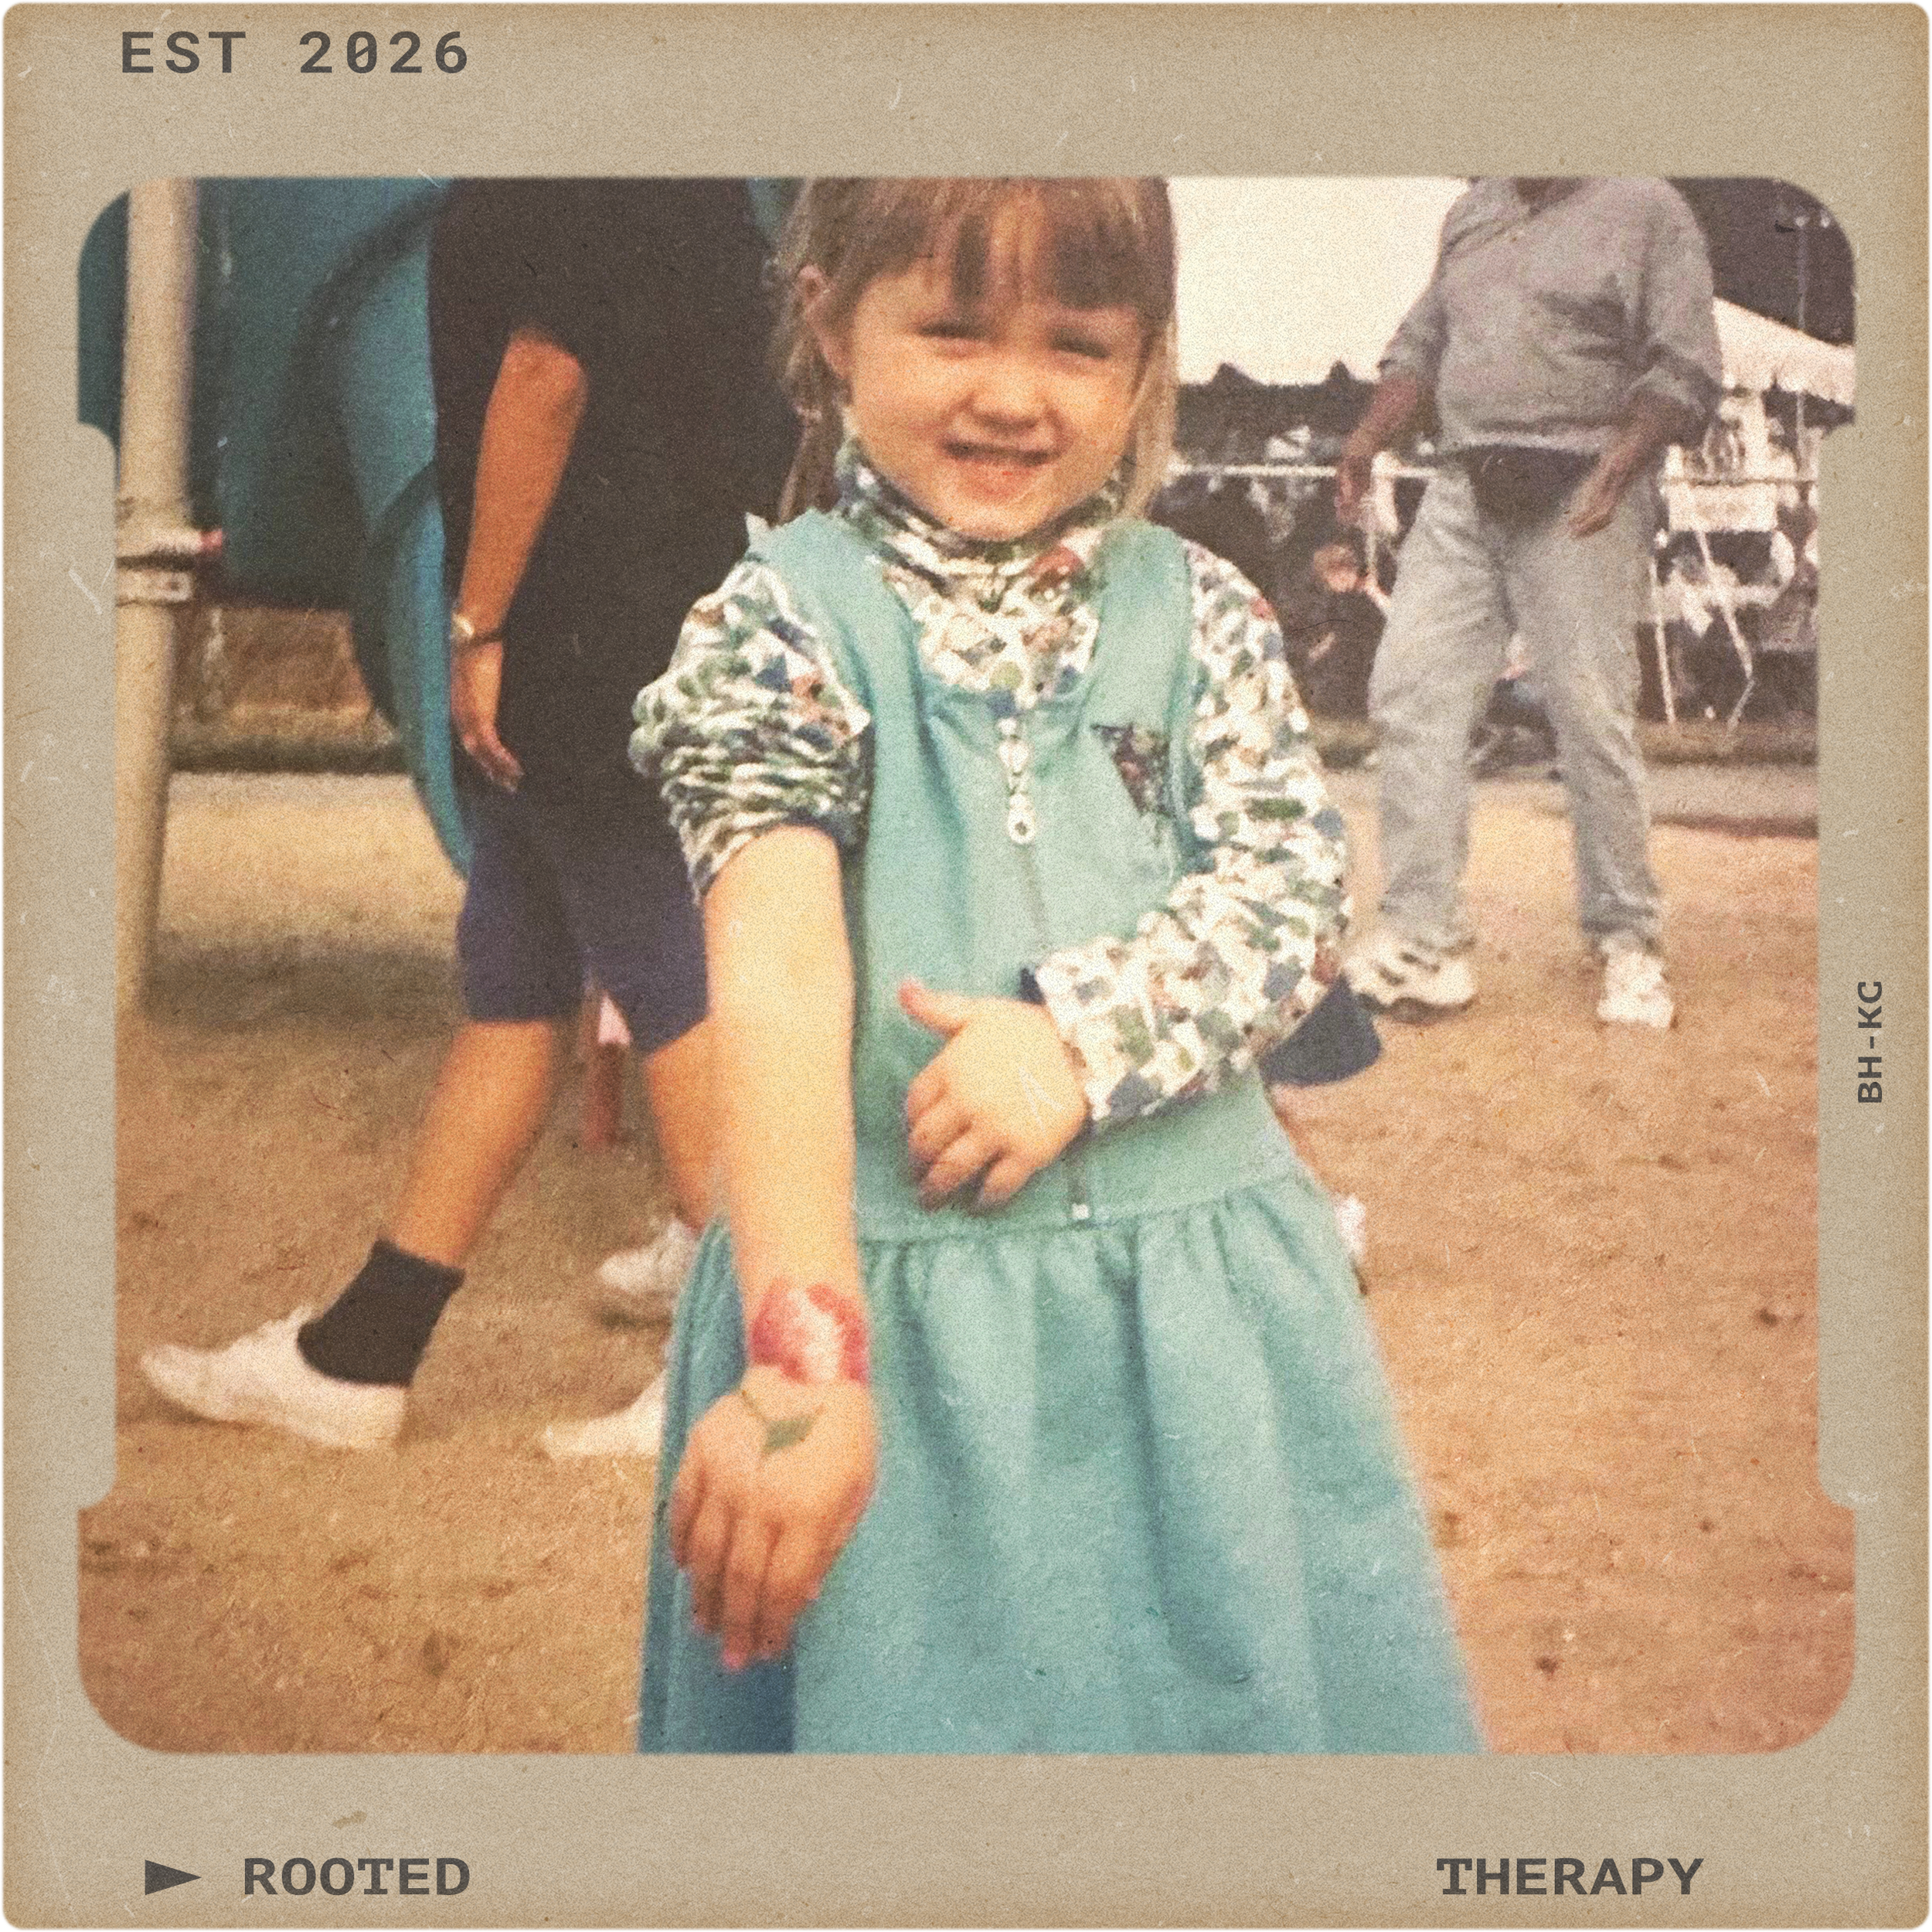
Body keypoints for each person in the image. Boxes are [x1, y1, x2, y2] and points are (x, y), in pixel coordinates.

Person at [628, 177, 1479, 1753]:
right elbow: (779, 977)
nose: (1013, 395)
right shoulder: (775, 624)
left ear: (1145, 359)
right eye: (953, 330)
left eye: (1076, 345)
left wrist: (1076, 1039)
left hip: (1203, 1331)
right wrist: (804, 1372)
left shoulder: (1208, 613)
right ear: (830, 321)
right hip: (899, 1342)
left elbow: (1292, 896)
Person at [141, 179, 790, 1453]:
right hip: (656, 605)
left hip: (579, 626)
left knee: (670, 984)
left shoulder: (572, 149)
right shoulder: (712, 178)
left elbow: (545, 375)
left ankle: (743, 1365)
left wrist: (479, 620)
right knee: (513, 983)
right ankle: (361, 1355)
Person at [1336, 177, 1723, 1029]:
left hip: (1586, 476)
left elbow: (1685, 361)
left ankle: (1627, 938)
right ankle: (1422, 937)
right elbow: (1420, 345)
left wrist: (1625, 458)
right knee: (1410, 692)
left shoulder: (1647, 209)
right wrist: (1366, 438)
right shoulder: (1475, 212)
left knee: (1588, 710)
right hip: (1466, 479)